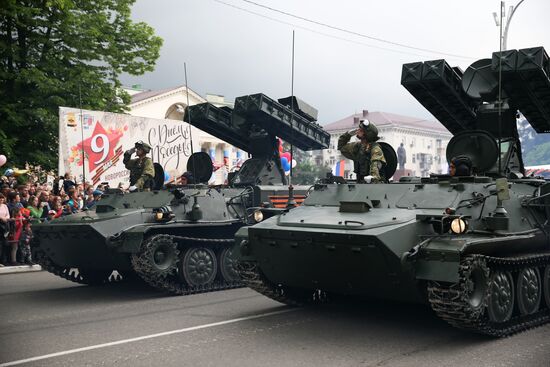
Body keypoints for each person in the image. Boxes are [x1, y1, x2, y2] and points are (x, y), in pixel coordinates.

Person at [338, 119, 386, 183]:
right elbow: (341, 147)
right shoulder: (358, 147)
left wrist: (373, 177)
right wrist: (348, 135)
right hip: (360, 184)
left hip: (374, 185)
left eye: (361, 130)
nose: (357, 131)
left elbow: (375, 166)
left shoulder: (375, 149)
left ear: (367, 134)